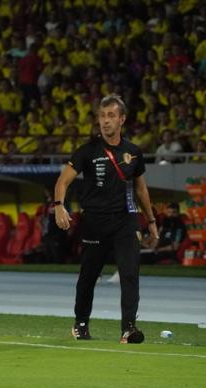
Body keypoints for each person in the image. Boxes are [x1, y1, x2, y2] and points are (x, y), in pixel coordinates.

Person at [54, 94, 158, 344]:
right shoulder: (87, 151)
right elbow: (62, 182)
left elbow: (141, 189)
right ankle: (80, 324)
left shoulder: (133, 152)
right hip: (94, 222)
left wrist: (151, 221)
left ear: (122, 119)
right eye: (102, 116)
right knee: (89, 276)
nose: (105, 121)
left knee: (130, 273)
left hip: (126, 220)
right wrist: (59, 206)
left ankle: (128, 329)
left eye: (111, 115)